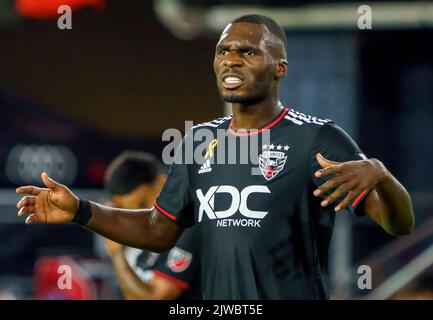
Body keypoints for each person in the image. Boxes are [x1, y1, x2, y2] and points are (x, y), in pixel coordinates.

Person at [16, 14, 415, 299]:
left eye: (248, 52)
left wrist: (380, 175)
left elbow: (399, 224)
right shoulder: (198, 140)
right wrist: (82, 211)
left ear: (280, 68)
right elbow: (158, 230)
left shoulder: (317, 138)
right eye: (224, 50)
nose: (231, 59)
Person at [102, 151, 201, 300]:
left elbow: (155, 297)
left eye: (142, 204)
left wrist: (115, 253)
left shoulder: (188, 225)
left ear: (162, 181)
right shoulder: (141, 237)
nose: (137, 214)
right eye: (127, 210)